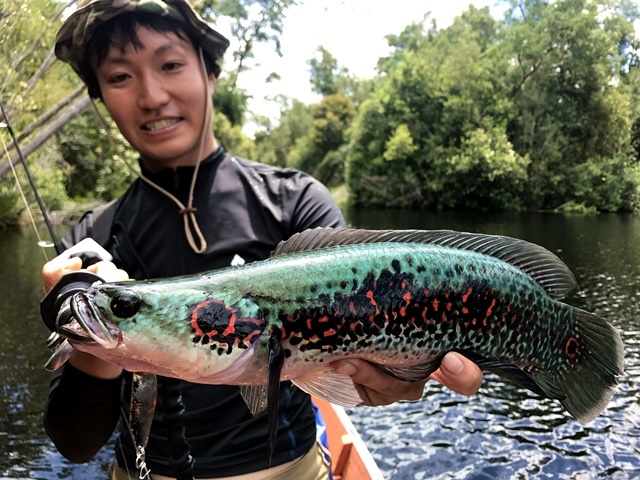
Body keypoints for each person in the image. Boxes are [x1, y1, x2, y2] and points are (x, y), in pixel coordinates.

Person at [41, 1, 484, 479]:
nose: (151, 96)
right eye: (120, 77)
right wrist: (93, 341)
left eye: (170, 64)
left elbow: (358, 366)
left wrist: (386, 373)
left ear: (210, 72)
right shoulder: (89, 244)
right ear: (102, 96)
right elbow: (76, 443)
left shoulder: (296, 203)